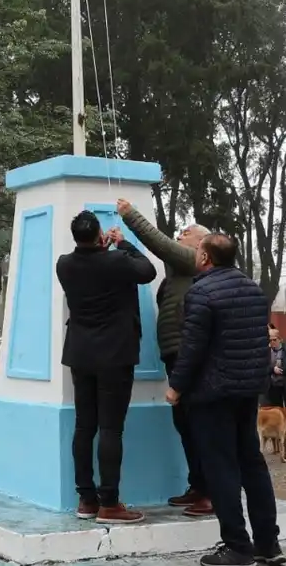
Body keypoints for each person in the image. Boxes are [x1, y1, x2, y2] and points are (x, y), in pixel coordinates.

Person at [168, 233, 281, 566]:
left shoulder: (201, 292)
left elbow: (192, 347)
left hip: (213, 393)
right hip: (247, 391)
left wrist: (176, 386)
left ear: (205, 258)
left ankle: (236, 546)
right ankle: (267, 543)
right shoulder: (253, 289)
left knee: (221, 468)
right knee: (252, 464)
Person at [56, 210, 155, 524]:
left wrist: (104, 248)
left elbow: (94, 266)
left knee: (85, 426)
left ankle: (86, 499)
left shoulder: (64, 264)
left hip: (80, 353)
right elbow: (148, 271)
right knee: (111, 428)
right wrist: (123, 244)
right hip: (115, 354)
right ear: (100, 235)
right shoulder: (115, 260)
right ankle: (109, 502)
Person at [117, 198, 210, 505]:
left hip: (186, 353)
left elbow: (160, 244)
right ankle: (198, 486)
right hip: (175, 353)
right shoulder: (177, 275)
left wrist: (131, 216)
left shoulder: (192, 260)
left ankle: (207, 492)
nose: (179, 236)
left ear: (200, 245)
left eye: (185, 233)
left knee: (196, 422)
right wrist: (125, 245)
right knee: (184, 422)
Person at [265, 328, 286, 413]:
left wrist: (284, 369)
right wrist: (273, 369)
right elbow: (262, 367)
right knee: (276, 410)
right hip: (273, 386)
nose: (272, 342)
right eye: (270, 340)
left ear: (280, 339)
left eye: (274, 339)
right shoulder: (266, 352)